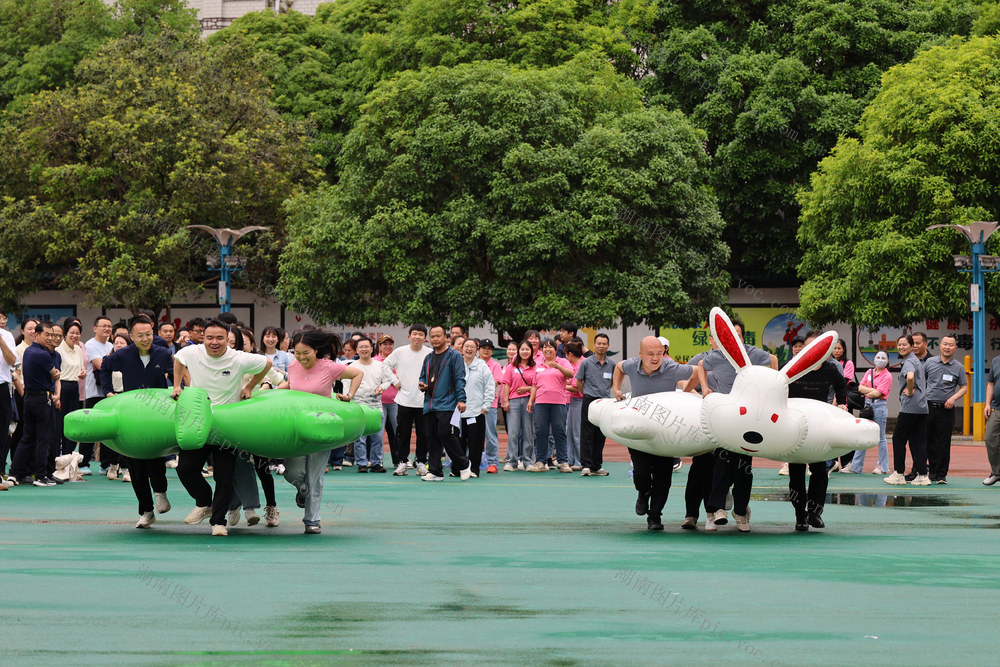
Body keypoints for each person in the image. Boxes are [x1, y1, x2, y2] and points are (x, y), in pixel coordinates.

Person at [172, 319, 273, 536]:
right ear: (203, 338)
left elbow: (266, 363)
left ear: (228, 339)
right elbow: (178, 359)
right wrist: (177, 385)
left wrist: (249, 387)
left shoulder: (238, 357)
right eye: (209, 338)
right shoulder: (193, 352)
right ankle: (204, 502)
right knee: (185, 469)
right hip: (198, 419)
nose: (214, 342)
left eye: (220, 338)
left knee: (224, 477)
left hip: (227, 424)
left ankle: (218, 522)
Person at [692, 319, 776, 532]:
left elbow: (773, 360)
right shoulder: (718, 355)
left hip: (748, 420)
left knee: (744, 469)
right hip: (725, 417)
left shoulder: (753, 353)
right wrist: (704, 388)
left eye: (738, 335)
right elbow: (701, 366)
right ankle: (718, 508)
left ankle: (740, 512)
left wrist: (774, 389)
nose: (734, 339)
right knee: (721, 462)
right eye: (730, 335)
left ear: (743, 337)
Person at [282, 329, 362, 533]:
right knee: (292, 472)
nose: (301, 357)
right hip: (298, 426)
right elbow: (290, 385)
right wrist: (268, 391)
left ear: (316, 350)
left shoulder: (328, 367)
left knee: (315, 476)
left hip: (322, 426)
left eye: (306, 353)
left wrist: (349, 395)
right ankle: (302, 491)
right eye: (297, 353)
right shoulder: (293, 366)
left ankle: (312, 520)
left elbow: (357, 373)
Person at [100, 315, 175, 528]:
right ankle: (146, 511)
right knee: (136, 466)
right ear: (131, 336)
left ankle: (160, 493)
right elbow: (104, 367)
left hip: (157, 414)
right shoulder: (122, 355)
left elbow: (176, 372)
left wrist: (177, 388)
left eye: (149, 334)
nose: (145, 339)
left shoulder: (163, 353)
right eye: (140, 335)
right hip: (132, 415)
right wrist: (108, 392)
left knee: (156, 457)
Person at [613, 336, 694, 530]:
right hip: (638, 431)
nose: (656, 358)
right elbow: (618, 367)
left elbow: (699, 370)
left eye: (660, 353)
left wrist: (688, 391)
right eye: (650, 354)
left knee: (663, 477)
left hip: (664, 432)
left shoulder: (672, 368)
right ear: (640, 354)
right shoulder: (632, 365)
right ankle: (643, 492)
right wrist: (616, 389)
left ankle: (655, 517)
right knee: (641, 473)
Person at [785, 332, 847, 532]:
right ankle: (799, 515)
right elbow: (778, 385)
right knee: (796, 472)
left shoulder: (830, 369)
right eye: (809, 346)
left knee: (820, 471)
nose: (813, 349)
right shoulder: (792, 367)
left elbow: (841, 385)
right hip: (795, 426)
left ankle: (814, 512)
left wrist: (843, 403)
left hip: (818, 426)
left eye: (818, 345)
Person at [9, 321, 61, 486]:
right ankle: (40, 476)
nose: (50, 338)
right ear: (37, 335)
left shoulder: (29, 351)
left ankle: (14, 473)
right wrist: (55, 373)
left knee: (27, 437)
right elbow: (55, 374)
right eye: (47, 334)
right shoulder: (42, 354)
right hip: (41, 399)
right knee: (43, 438)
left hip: (29, 398)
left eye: (52, 335)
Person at [417, 325, 469, 481]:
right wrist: (422, 384)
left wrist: (461, 399)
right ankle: (435, 471)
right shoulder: (428, 357)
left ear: (446, 337)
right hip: (430, 404)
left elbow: (459, 379)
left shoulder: (454, 355)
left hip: (447, 403)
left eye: (438, 336)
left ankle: (464, 464)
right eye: (432, 336)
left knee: (445, 433)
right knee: (431, 437)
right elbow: (422, 376)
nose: (435, 339)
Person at [383, 325, 432, 476]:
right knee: (403, 433)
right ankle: (402, 462)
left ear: (425, 338)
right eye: (414, 334)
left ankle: (421, 462)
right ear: (409, 336)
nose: (417, 337)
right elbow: (385, 365)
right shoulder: (400, 352)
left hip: (423, 400)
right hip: (404, 400)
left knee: (423, 433)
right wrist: (395, 381)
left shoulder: (430, 353)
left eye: (420, 334)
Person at [920, 335, 967, 484]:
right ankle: (931, 471)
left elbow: (964, 387)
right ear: (940, 346)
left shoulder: (958, 367)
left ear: (955, 348)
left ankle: (941, 474)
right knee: (927, 440)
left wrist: (953, 398)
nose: (947, 347)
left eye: (950, 345)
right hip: (928, 407)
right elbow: (920, 380)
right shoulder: (930, 362)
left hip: (946, 409)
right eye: (945, 344)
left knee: (944, 442)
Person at [348, 337, 398, 473]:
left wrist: (382, 387)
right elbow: (347, 385)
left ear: (372, 349)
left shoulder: (379, 366)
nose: (364, 349)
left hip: (376, 405)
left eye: (367, 346)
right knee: (360, 438)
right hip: (358, 406)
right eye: (361, 347)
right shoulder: (352, 367)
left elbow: (388, 381)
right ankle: (362, 463)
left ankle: (376, 463)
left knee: (378, 437)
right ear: (356, 350)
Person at [885, 335, 930, 486]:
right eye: (899, 344)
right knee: (918, 441)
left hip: (911, 406)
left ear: (911, 346)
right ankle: (922, 475)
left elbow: (910, 377)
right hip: (922, 406)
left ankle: (899, 473)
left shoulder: (909, 361)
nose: (901, 347)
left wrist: (909, 391)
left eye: (905, 344)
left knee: (898, 438)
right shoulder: (915, 360)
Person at [527, 339, 575, 473]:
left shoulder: (563, 361)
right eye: (545, 347)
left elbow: (571, 374)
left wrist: (557, 366)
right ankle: (540, 462)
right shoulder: (538, 364)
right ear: (542, 350)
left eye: (550, 347)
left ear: (555, 349)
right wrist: (531, 401)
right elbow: (534, 385)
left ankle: (563, 462)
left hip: (558, 402)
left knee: (559, 431)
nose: (547, 349)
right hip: (541, 402)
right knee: (540, 432)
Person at [845, 351, 892, 474]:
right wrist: (872, 391)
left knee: (880, 437)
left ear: (887, 361)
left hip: (880, 406)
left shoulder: (887, 376)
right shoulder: (869, 372)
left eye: (883, 358)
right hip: (867, 406)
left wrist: (869, 391)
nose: (880, 359)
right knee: (863, 434)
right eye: (878, 357)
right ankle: (856, 466)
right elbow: (860, 388)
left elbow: (878, 394)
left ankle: (882, 467)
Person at [576, 333, 613, 476]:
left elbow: (612, 382)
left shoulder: (612, 364)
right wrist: (586, 393)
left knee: (600, 434)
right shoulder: (586, 362)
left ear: (608, 346)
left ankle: (597, 466)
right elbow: (579, 382)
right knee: (587, 434)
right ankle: (586, 465)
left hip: (604, 402)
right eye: (599, 343)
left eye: (604, 344)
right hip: (589, 400)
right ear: (594, 345)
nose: (601, 346)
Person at [83, 317, 114, 477]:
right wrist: (109, 361)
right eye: (104, 326)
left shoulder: (111, 345)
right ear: (95, 328)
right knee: (90, 428)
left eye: (109, 326)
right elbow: (102, 365)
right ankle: (83, 463)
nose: (107, 328)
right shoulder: (90, 345)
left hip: (109, 392)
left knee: (107, 429)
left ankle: (106, 464)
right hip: (94, 391)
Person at [459, 338, 495, 478]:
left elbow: (490, 386)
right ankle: (458, 469)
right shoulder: (456, 364)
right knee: (458, 442)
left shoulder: (482, 366)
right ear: (462, 349)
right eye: (466, 346)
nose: (469, 349)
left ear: (476, 350)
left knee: (475, 443)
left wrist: (486, 404)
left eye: (472, 347)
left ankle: (474, 469)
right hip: (457, 411)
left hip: (476, 411)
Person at [55, 318, 88, 460]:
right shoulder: (58, 349)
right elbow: (55, 374)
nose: (75, 336)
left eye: (77, 333)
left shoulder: (79, 349)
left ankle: (68, 456)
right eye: (72, 333)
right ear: (65, 333)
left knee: (72, 423)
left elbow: (81, 368)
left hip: (75, 388)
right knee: (59, 424)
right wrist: (57, 395)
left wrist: (83, 373)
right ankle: (56, 458)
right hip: (61, 387)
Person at [502, 341, 536, 471]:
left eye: (527, 349)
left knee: (528, 432)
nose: (525, 352)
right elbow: (506, 384)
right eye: (522, 349)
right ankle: (511, 461)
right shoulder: (511, 367)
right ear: (518, 351)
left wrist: (530, 400)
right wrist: (506, 401)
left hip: (528, 401)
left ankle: (528, 461)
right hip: (513, 402)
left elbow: (535, 386)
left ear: (531, 352)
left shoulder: (534, 367)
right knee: (513, 432)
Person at [477, 339, 503, 473]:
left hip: (490, 404)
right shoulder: (473, 363)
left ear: (492, 351)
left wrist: (478, 383)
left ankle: (492, 462)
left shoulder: (496, 365)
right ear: (479, 350)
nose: (486, 350)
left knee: (490, 433)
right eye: (483, 348)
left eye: (489, 348)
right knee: (473, 434)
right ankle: (473, 460)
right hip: (474, 404)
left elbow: (495, 382)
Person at [374, 334, 399, 472]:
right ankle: (378, 461)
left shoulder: (397, 360)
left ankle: (399, 460)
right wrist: (394, 378)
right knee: (378, 434)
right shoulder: (375, 361)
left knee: (397, 432)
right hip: (379, 402)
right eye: (384, 344)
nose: (388, 346)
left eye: (390, 344)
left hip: (395, 401)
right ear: (379, 346)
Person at [563, 339, 585, 470]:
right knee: (570, 432)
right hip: (573, 401)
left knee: (577, 432)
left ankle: (579, 460)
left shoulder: (581, 365)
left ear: (570, 354)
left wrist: (561, 386)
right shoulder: (576, 365)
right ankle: (570, 459)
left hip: (579, 401)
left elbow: (576, 387)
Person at [0, 309, 16, 481]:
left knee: (3, 431)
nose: (2, 321)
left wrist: (1, 341)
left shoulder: (7, 336)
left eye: (4, 318)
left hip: (2, 386)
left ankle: (0, 473)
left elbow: (12, 360)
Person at [983, 351, 1000, 487]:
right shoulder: (996, 360)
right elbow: (990, 384)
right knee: (990, 439)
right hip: (996, 408)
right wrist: (987, 404)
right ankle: (997, 473)